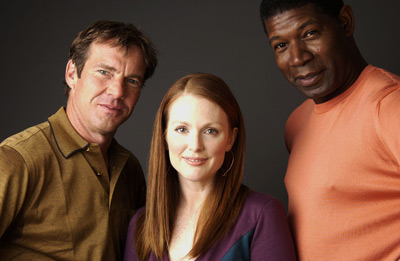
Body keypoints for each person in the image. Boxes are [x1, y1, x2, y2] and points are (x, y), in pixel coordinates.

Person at [0, 20, 158, 260]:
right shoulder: (17, 158)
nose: (117, 91)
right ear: (72, 73)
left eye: (132, 80)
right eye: (104, 72)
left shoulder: (130, 170)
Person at [260, 0, 400, 259]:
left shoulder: (390, 105)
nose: (298, 57)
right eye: (281, 45)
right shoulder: (297, 123)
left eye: (310, 34)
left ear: (345, 22)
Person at [124, 73, 296, 260]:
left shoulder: (261, 214)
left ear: (231, 138)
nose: (195, 145)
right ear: (164, 136)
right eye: (182, 129)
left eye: (210, 131)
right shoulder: (141, 224)